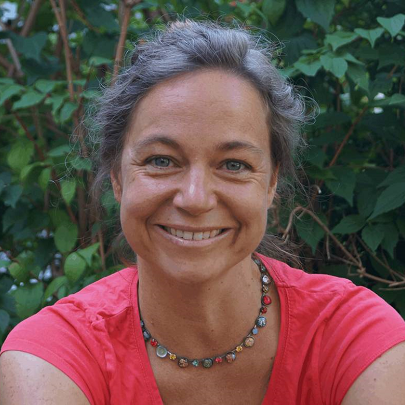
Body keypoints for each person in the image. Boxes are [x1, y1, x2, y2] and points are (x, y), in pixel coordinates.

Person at [1, 20, 405, 405]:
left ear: (271, 185)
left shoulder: (357, 340)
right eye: (161, 160)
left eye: (233, 164)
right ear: (118, 179)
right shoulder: (52, 358)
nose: (195, 199)